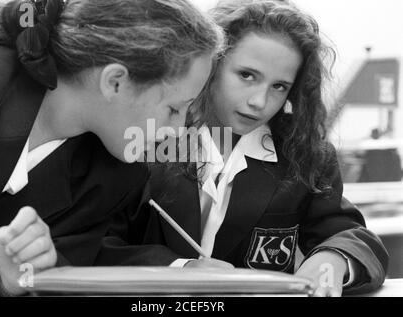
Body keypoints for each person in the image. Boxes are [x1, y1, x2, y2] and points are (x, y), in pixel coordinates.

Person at [98, 0, 389, 297]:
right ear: (211, 65)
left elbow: (352, 236)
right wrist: (178, 269)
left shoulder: (303, 153)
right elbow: (97, 244)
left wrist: (334, 259)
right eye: (247, 76)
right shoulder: (146, 136)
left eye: (279, 86)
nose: (259, 102)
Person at [0, 0, 222, 296]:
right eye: (173, 108)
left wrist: (10, 284)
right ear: (115, 82)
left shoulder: (113, 180)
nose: (177, 131)